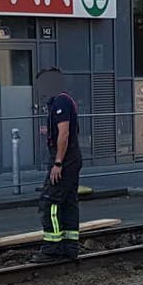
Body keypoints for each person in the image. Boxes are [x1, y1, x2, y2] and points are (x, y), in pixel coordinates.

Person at [38, 69, 82, 260]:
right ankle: (70, 246)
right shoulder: (63, 101)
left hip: (64, 158)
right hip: (71, 158)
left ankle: (52, 247)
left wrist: (58, 162)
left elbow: (63, 134)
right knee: (69, 201)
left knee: (51, 201)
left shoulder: (60, 102)